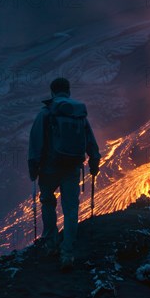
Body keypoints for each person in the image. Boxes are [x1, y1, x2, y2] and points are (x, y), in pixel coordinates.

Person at [28, 78, 101, 271]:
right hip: (72, 168)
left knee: (47, 202)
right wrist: (94, 162)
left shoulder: (46, 113)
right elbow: (91, 142)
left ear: (52, 92)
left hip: (49, 168)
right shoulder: (79, 115)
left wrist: (33, 167)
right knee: (70, 209)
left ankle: (51, 243)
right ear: (68, 91)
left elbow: (35, 142)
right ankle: (67, 252)